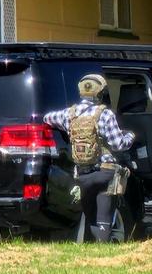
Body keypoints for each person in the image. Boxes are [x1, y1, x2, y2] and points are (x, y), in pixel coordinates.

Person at [43, 74, 135, 242]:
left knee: (90, 215)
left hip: (82, 175)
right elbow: (118, 145)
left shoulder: (68, 114)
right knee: (103, 219)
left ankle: (91, 251)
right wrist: (130, 136)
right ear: (100, 93)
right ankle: (102, 252)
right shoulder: (105, 114)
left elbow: (47, 118)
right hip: (105, 173)